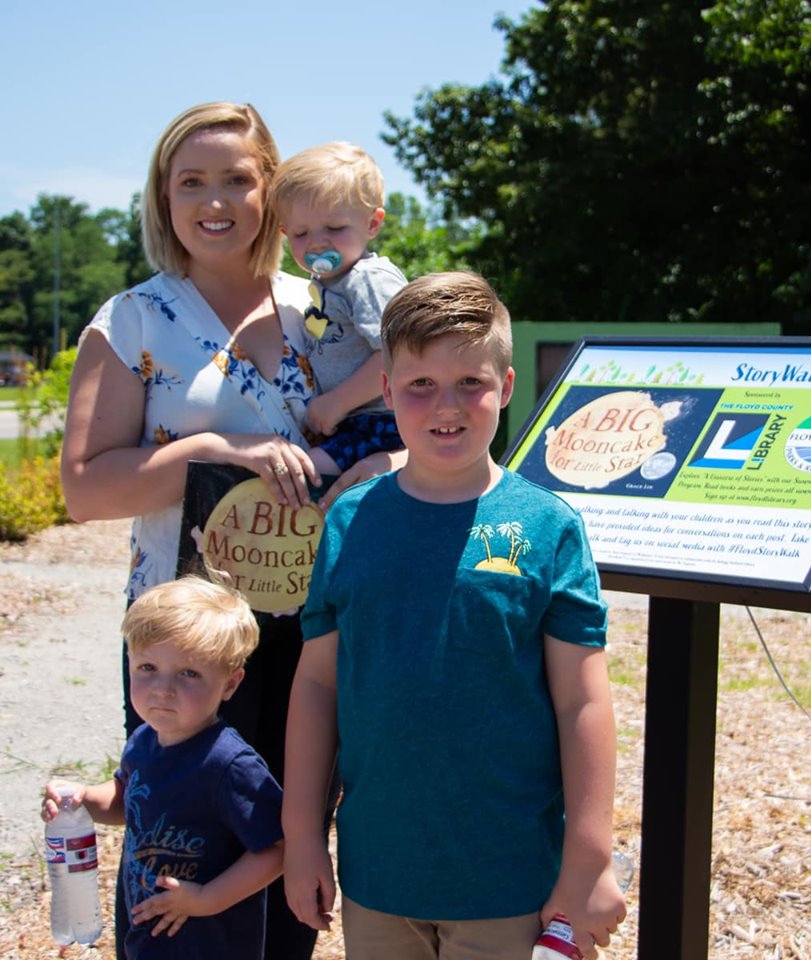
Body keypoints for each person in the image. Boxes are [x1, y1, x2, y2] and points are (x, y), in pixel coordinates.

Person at [59, 101, 403, 960]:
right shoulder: (132, 319)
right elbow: (83, 489)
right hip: (189, 641)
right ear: (163, 197)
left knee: (294, 842)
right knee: (185, 853)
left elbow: (408, 405)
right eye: (191, 182)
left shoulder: (323, 299)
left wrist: (380, 464)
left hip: (318, 622)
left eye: (237, 180)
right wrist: (212, 449)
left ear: (272, 192)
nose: (215, 201)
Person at [283, 272, 627, 960]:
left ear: (506, 385)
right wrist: (301, 837)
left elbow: (582, 702)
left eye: (471, 382)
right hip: (379, 872)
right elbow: (318, 685)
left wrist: (589, 859)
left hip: (510, 877)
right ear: (387, 391)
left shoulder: (549, 526)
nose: (447, 405)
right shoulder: (349, 521)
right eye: (421, 384)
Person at [42, 577, 283, 960]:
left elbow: (277, 849)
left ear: (230, 683)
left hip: (210, 944)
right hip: (148, 938)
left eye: (189, 673)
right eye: (148, 667)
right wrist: (83, 799)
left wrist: (207, 898)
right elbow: (128, 800)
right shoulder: (144, 742)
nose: (162, 688)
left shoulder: (229, 765)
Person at [268, 141, 407, 476]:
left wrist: (338, 402)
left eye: (334, 228)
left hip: (382, 422)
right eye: (301, 233)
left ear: (372, 224)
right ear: (285, 233)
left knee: (305, 476)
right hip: (354, 422)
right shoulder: (327, 284)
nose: (317, 242)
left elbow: (401, 354)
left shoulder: (368, 279)